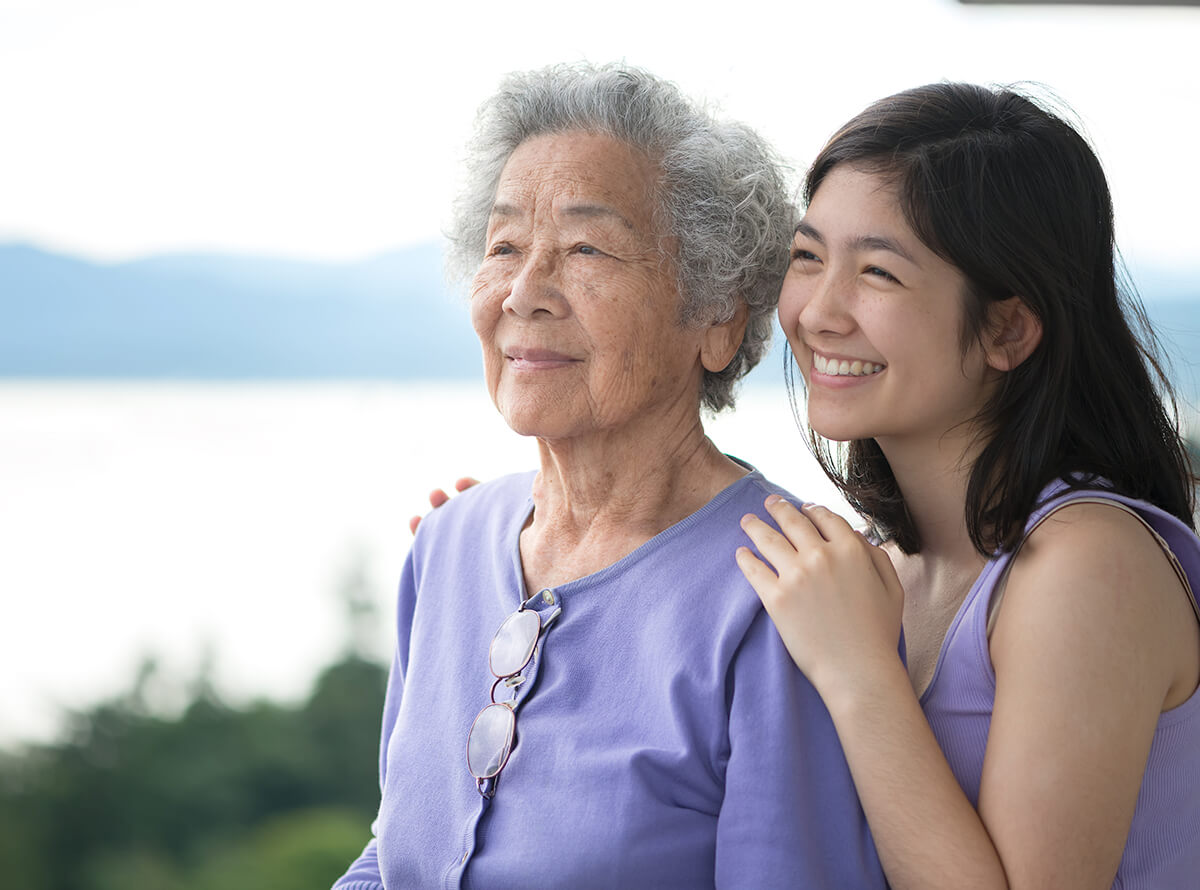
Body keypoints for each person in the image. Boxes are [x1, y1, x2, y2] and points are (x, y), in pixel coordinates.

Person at [332, 63, 886, 889]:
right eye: (505, 245)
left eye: (586, 248)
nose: (525, 291)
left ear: (717, 317)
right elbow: (395, 856)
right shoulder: (446, 544)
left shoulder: (787, 586)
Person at [736, 82, 1200, 889]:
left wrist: (858, 673)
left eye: (878, 272)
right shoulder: (892, 570)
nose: (817, 312)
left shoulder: (1086, 564)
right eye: (807, 257)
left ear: (1007, 329)